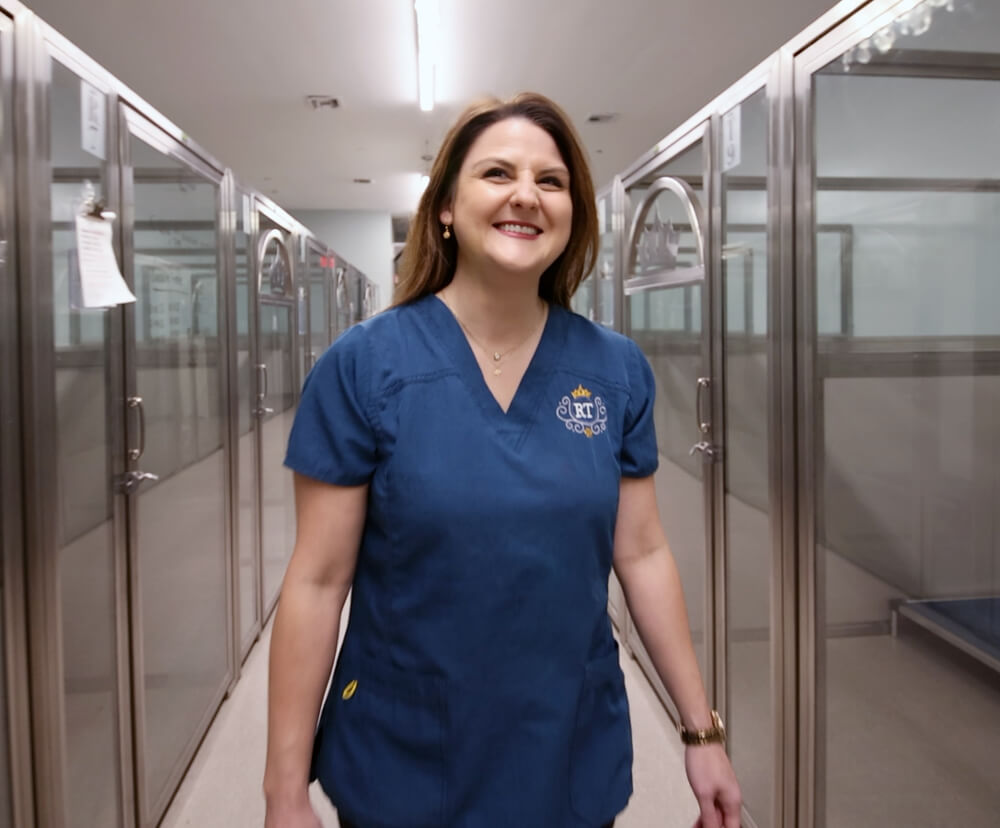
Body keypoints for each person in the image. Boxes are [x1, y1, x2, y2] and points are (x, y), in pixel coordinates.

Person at [263, 92, 741, 828]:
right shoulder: (363, 367)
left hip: (566, 745)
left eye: (551, 181)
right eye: (497, 173)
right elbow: (318, 582)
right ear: (447, 207)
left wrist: (701, 730)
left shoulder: (615, 371)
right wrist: (283, 790)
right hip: (407, 747)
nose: (526, 195)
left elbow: (642, 554)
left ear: (573, 211)